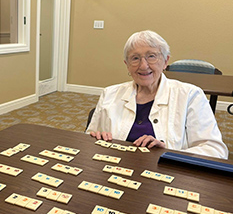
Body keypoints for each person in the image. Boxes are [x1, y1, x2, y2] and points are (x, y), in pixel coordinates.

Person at [86, 30, 228, 159]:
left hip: (170, 176)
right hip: (115, 172)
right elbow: (88, 139)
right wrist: (96, 137)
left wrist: (168, 152)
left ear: (165, 61)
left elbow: (216, 151)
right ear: (127, 64)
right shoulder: (109, 94)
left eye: (151, 56)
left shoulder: (190, 95)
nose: (143, 66)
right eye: (135, 58)